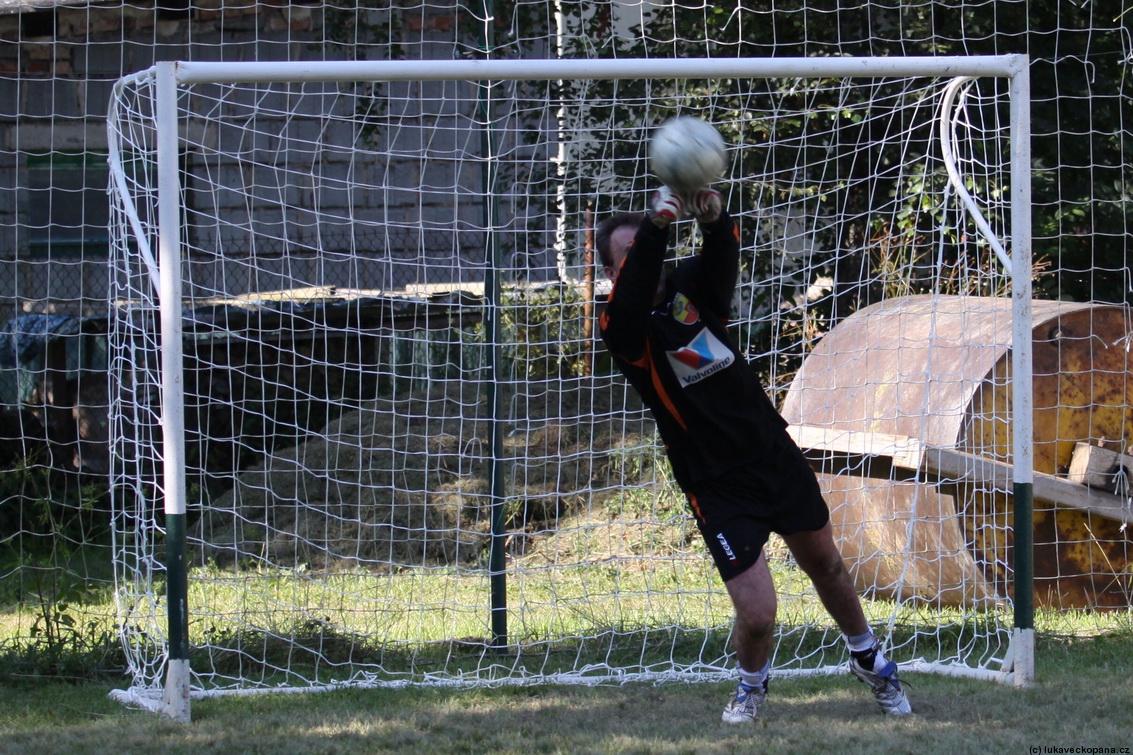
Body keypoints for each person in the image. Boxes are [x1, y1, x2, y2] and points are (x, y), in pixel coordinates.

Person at [595, 186, 912, 724]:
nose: (645, 254)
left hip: (771, 453)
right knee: (760, 614)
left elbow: (722, 260)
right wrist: (655, 225)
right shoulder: (621, 326)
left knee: (826, 563)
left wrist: (714, 221)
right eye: (629, 252)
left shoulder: (690, 285)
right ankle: (751, 685)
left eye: (646, 244)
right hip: (715, 483)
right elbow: (634, 288)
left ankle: (869, 660)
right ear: (612, 272)